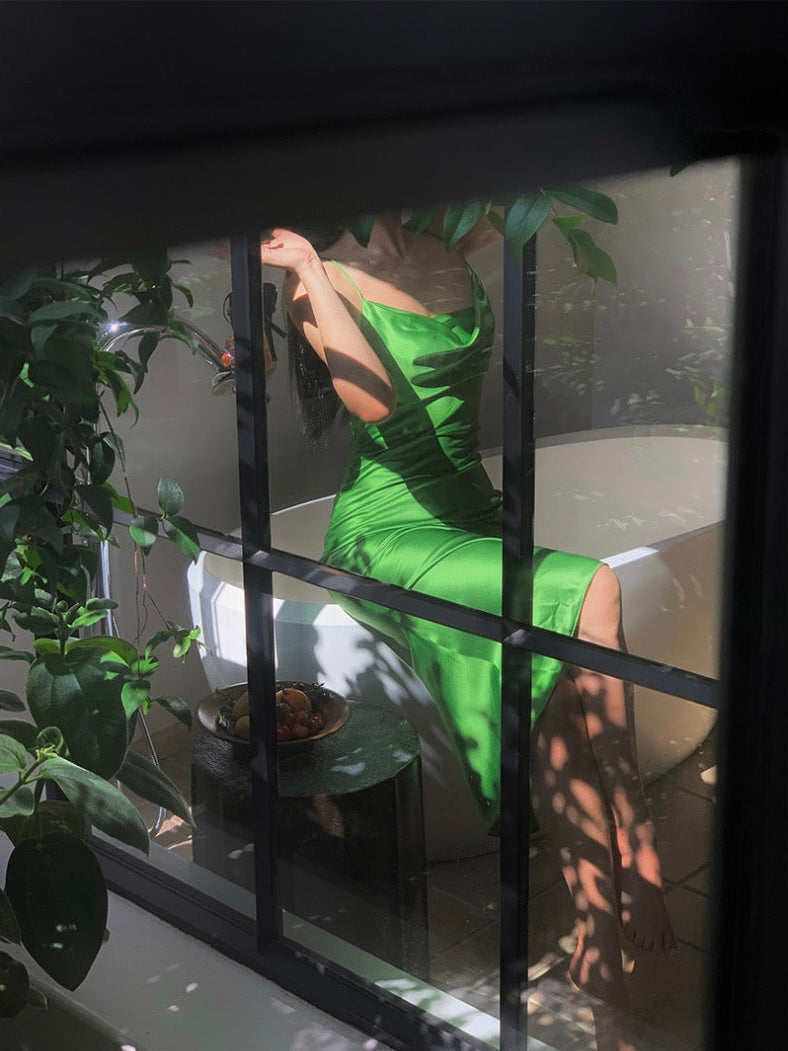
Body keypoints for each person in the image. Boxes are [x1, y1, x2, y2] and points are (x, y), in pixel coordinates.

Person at [260, 214, 676, 1037]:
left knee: (552, 698)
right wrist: (305, 261)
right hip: (386, 531)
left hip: (469, 508)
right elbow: (374, 401)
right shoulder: (316, 279)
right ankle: (641, 839)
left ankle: (596, 941)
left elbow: (524, 202)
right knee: (592, 586)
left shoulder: (448, 241)